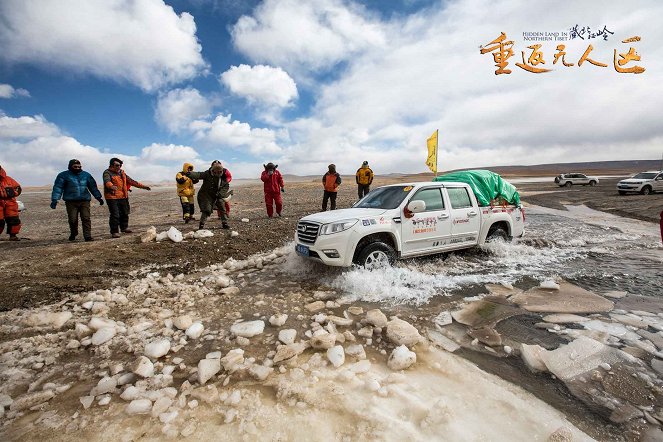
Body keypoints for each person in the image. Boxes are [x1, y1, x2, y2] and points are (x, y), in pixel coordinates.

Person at [50, 159, 104, 241]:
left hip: (84, 200)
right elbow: (58, 188)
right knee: (72, 219)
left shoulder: (86, 175)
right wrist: (55, 199)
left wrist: (98, 197)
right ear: (70, 166)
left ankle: (87, 236)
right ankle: (73, 233)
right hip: (71, 201)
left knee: (86, 218)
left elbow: (93, 187)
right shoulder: (63, 175)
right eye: (75, 167)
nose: (77, 168)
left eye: (79, 166)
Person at [102, 157, 151, 238]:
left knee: (125, 213)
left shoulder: (122, 173)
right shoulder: (107, 172)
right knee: (115, 214)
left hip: (123, 196)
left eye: (120, 165)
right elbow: (107, 181)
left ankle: (124, 227)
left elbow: (132, 181)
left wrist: (144, 187)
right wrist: (111, 186)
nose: (119, 167)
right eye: (117, 165)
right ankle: (114, 231)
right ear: (111, 165)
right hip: (112, 197)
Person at [187, 160, 230, 230]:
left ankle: (224, 223)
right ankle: (201, 225)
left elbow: (226, 186)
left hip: (218, 195)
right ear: (213, 170)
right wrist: (190, 174)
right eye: (216, 172)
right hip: (206, 195)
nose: (218, 173)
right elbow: (199, 175)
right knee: (206, 210)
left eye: (220, 172)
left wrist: (221, 194)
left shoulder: (224, 176)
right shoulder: (207, 174)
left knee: (222, 207)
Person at [0, 164, 22, 241]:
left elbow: (18, 188)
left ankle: (13, 236)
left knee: (13, 219)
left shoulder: (8, 179)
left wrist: (13, 193)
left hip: (10, 203)